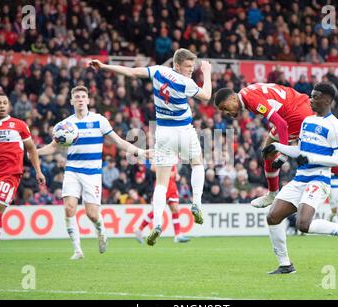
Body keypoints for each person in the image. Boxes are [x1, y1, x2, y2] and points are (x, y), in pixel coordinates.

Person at [89, 48, 212, 246]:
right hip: (183, 130)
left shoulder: (157, 71)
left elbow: (130, 72)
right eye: (188, 66)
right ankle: (196, 203)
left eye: (193, 67)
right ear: (177, 65)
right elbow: (206, 95)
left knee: (161, 183)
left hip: (163, 132)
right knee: (197, 164)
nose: (191, 70)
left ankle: (157, 224)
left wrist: (104, 66)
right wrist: (206, 72)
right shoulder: (186, 83)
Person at [214, 82, 338, 208]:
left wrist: (283, 154)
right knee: (273, 153)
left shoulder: (251, 100)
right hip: (296, 106)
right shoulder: (247, 93)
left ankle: (273, 194)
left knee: (300, 156)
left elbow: (281, 124)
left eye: (225, 107)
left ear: (233, 98)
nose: (226, 113)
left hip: (295, 114)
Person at [37, 86, 150, 259]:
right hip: (72, 170)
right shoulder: (66, 125)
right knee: (69, 208)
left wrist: (140, 152)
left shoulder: (99, 120)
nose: (80, 99)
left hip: (92, 173)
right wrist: (34, 152)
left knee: (91, 214)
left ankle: (101, 231)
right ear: (71, 101)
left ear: (88, 100)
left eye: (83, 96)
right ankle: (77, 250)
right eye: (77, 97)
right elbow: (53, 147)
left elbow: (119, 142)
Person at [261, 83, 338, 274]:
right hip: (301, 178)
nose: (310, 100)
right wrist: (278, 148)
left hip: (319, 179)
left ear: (327, 100)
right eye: (311, 96)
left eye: (315, 97)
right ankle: (285, 265)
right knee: (273, 217)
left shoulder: (335, 126)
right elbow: (300, 151)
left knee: (303, 225)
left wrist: (313, 158)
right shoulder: (307, 121)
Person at [0, 92, 46, 265]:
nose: (2, 105)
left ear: (9, 105)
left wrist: (38, 171)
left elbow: (32, 149)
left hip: (11, 173)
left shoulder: (19, 125)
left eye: (5, 102)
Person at [135, 165, 190, 244]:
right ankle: (139, 229)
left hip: (172, 186)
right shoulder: (160, 154)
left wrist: (176, 174)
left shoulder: (174, 156)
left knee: (175, 209)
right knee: (156, 211)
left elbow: (174, 170)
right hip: (162, 185)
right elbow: (153, 168)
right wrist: (170, 174)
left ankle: (177, 235)